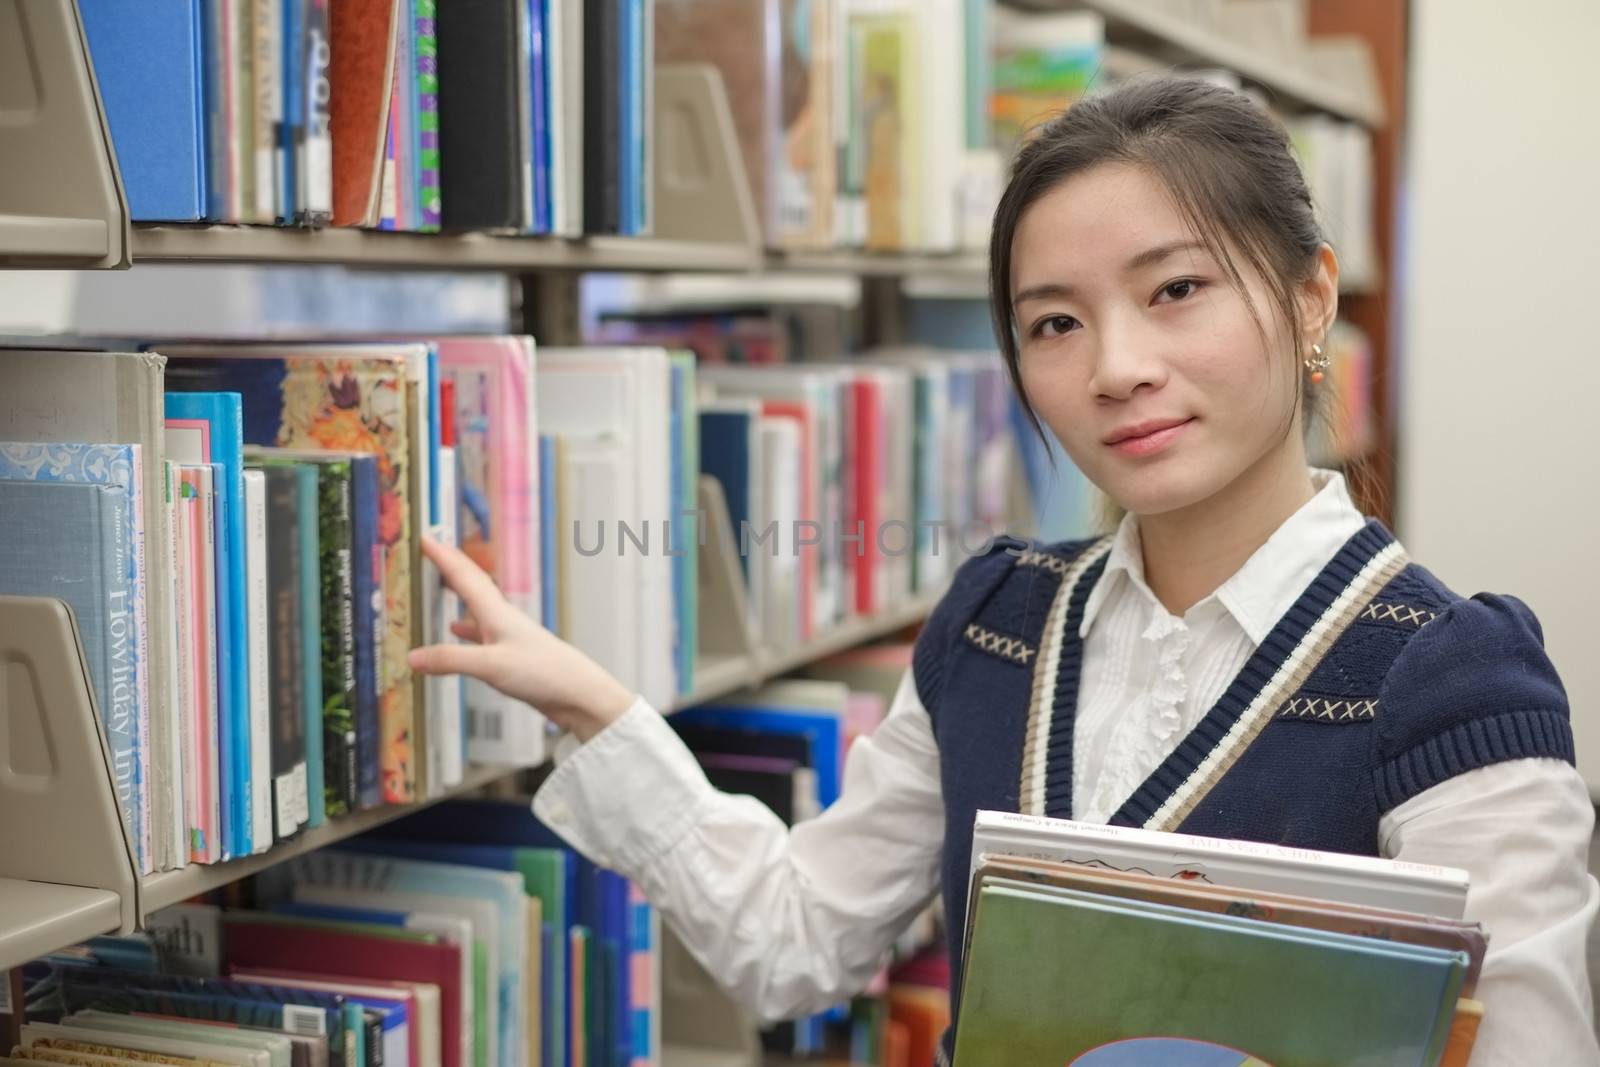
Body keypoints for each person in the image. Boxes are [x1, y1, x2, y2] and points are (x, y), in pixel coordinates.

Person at [409, 75, 1599, 1065]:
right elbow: (791, 942)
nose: (1116, 365)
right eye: (1053, 322)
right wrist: (595, 706)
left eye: (1175, 289)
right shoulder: (994, 622)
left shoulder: (1455, 681)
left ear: (1308, 299)